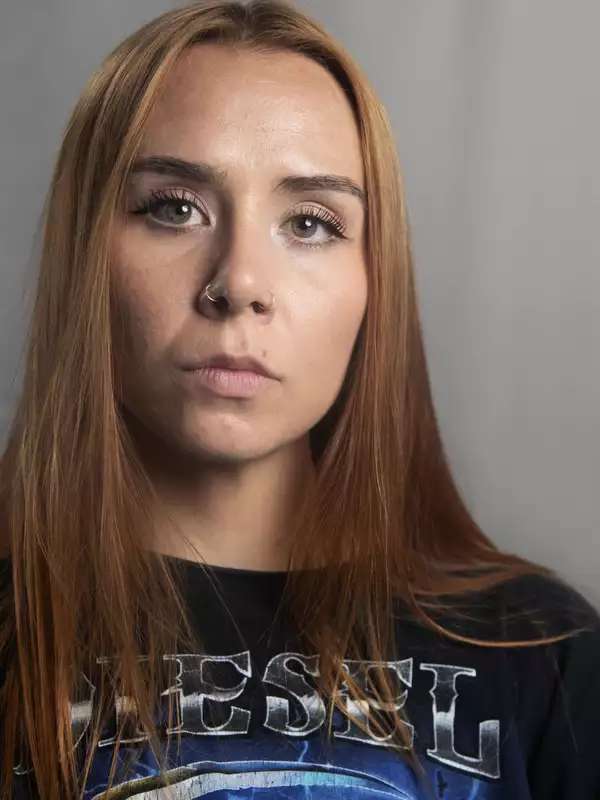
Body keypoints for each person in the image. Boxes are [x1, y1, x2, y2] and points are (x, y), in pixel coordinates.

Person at [0, 1, 598, 798]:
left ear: (372, 281)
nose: (239, 283)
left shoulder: (541, 653)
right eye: (174, 207)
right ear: (85, 257)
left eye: (310, 223)